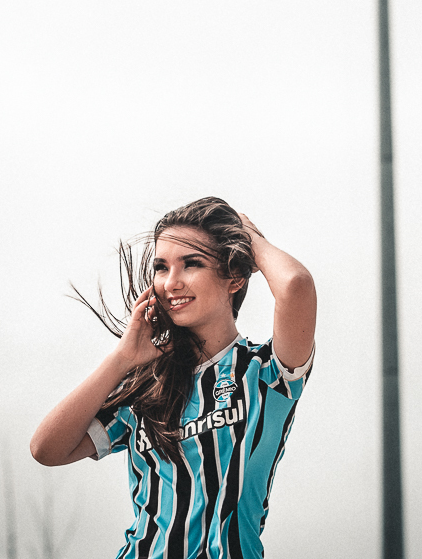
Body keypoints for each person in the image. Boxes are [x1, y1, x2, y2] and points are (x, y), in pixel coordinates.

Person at [31, 197, 316, 559]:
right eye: (161, 267)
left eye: (191, 263)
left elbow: (295, 285)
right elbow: (46, 450)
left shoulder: (266, 373)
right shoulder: (146, 387)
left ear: (235, 277)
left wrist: (248, 236)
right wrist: (121, 359)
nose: (171, 283)